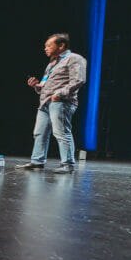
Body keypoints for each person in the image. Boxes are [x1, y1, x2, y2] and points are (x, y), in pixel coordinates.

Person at [18, 33, 88, 174]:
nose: (45, 48)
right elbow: (45, 85)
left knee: (61, 132)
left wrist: (59, 94)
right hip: (45, 102)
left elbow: (78, 80)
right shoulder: (52, 64)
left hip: (61, 102)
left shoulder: (74, 59)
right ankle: (37, 161)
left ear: (61, 45)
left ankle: (68, 164)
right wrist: (36, 85)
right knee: (39, 133)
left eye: (49, 45)